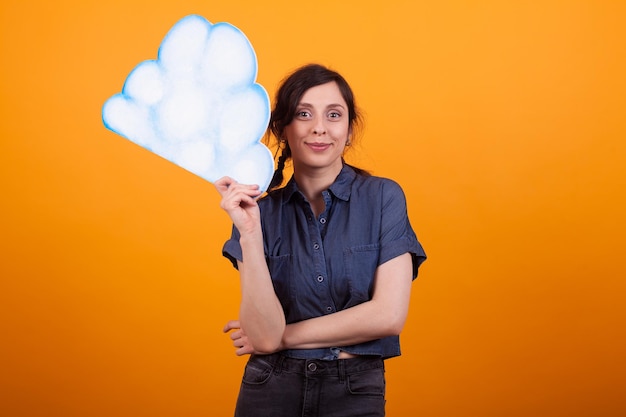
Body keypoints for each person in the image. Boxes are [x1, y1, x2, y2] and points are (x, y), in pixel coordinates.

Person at [214, 63, 426, 417]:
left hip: (354, 389)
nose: (319, 128)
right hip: (270, 387)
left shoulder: (383, 197)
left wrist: (282, 336)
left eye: (333, 115)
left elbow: (388, 315)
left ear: (348, 128)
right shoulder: (256, 212)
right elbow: (263, 339)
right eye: (303, 113)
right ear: (283, 127)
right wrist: (250, 234)